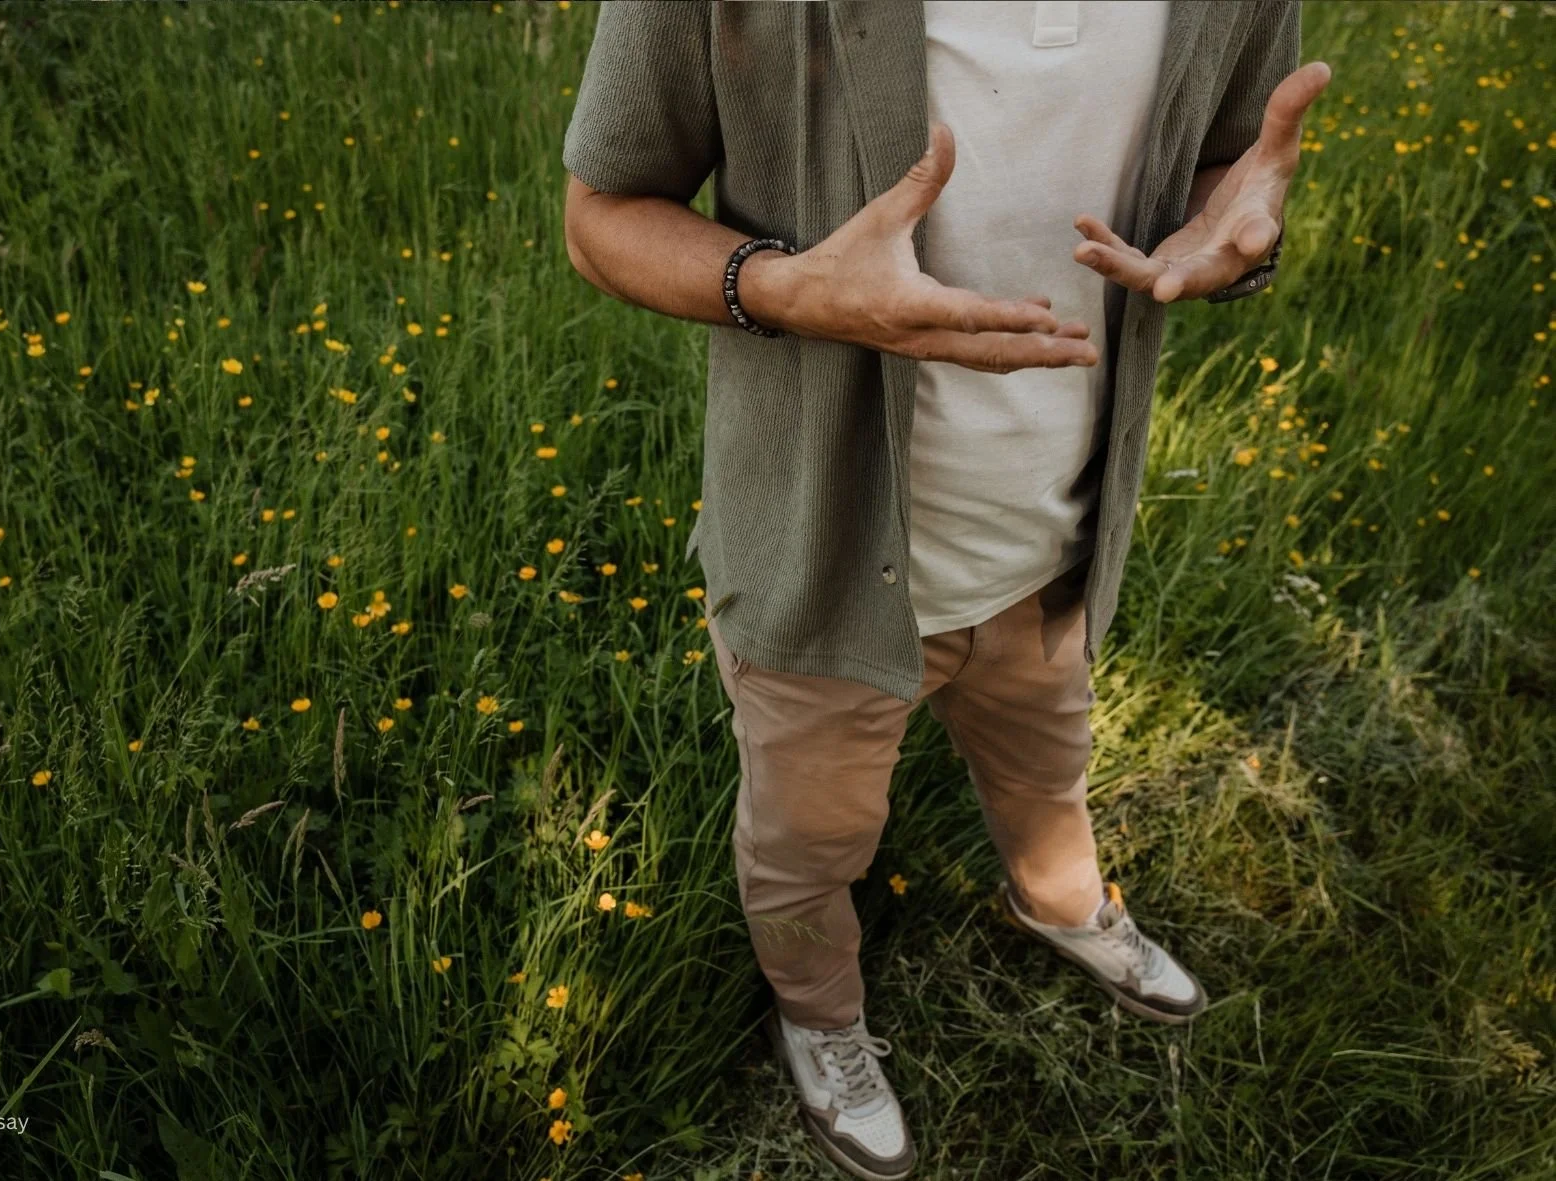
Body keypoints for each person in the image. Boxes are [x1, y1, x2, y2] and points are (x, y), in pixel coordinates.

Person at [561, 3, 1328, 1177]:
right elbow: (600, 216)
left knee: (1047, 769)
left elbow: (1229, 159)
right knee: (805, 845)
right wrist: (787, 291)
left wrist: (1237, 235)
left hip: (1054, 539)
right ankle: (818, 1017)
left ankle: (1063, 904)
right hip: (826, 560)